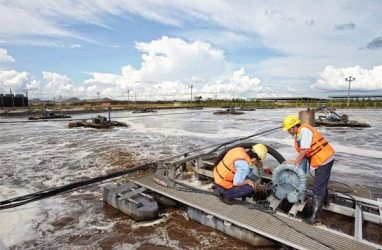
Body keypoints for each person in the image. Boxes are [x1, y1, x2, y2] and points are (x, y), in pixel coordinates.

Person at [282, 115, 335, 225]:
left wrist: (295, 162)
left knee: (318, 187)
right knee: (321, 182)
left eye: (288, 129)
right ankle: (325, 202)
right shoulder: (300, 132)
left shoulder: (304, 131)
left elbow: (304, 150)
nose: (288, 131)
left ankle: (316, 218)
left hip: (324, 159)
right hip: (323, 158)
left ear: (293, 127)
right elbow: (305, 152)